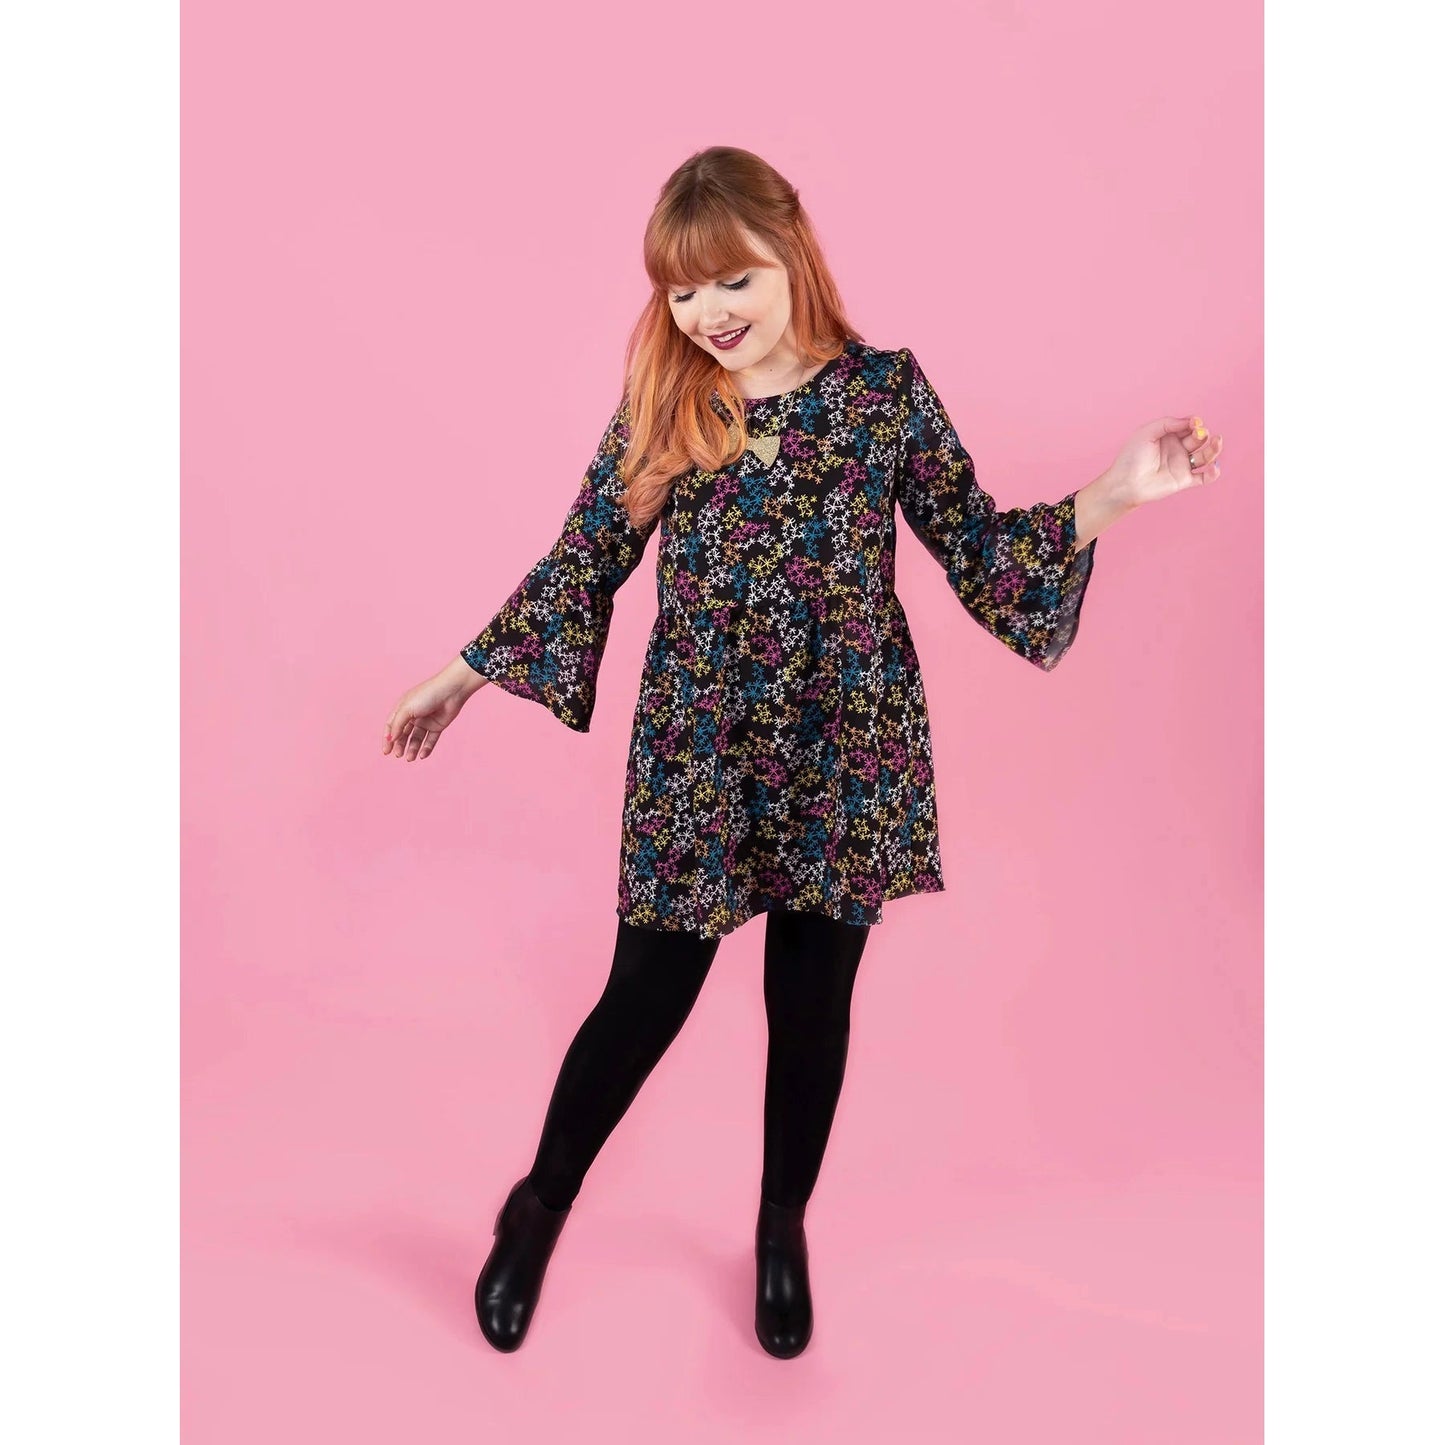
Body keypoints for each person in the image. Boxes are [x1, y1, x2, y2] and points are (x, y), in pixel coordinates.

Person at [381, 146, 1224, 1358]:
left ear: (791, 253)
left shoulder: (883, 393)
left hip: (847, 746)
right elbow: (582, 559)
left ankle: (780, 1226)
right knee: (644, 995)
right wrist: (461, 675)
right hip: (699, 749)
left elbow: (980, 552)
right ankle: (538, 1203)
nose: (707, 313)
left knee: (811, 1003)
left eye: (732, 279)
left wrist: (1118, 488)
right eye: (682, 289)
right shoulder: (669, 403)